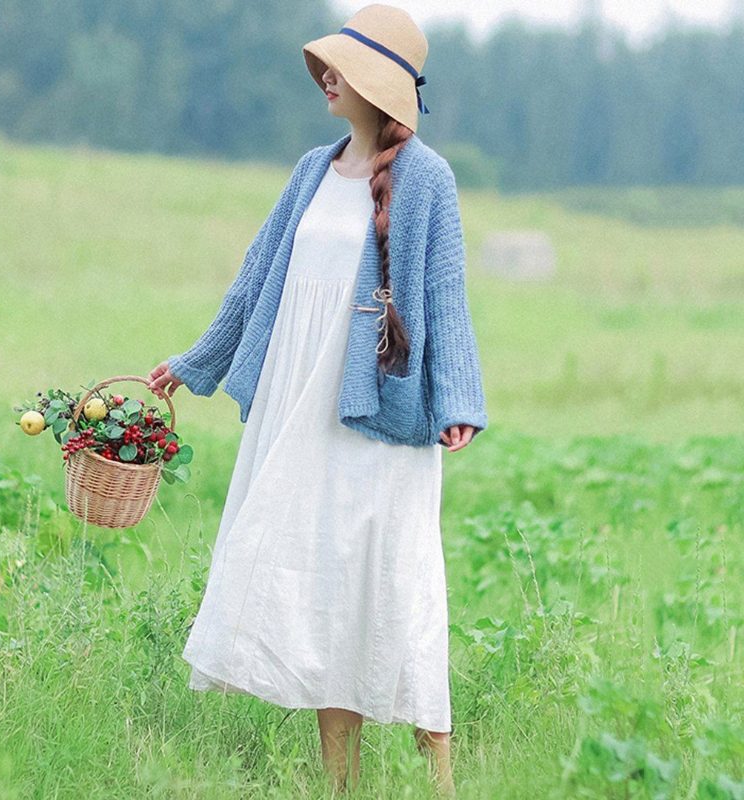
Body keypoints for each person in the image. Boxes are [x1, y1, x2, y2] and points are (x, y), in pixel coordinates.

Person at [147, 5, 487, 796]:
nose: (324, 76)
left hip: (379, 410)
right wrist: (194, 363)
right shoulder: (310, 169)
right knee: (321, 582)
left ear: (378, 83)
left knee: (394, 580)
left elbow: (446, 294)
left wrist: (457, 395)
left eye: (340, 66)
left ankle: (441, 776)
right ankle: (340, 782)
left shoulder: (427, 179)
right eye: (326, 64)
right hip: (295, 406)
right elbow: (254, 281)